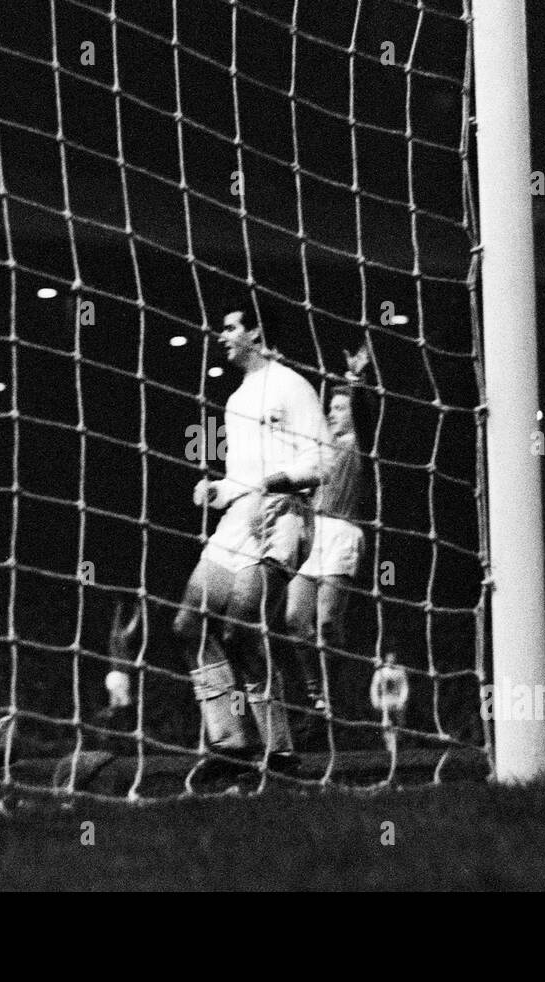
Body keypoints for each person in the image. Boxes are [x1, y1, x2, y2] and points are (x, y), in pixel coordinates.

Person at [173, 293, 330, 780]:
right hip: (238, 521)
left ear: (257, 333)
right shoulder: (237, 399)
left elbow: (320, 462)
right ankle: (231, 742)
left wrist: (273, 486)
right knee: (188, 625)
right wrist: (217, 489)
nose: (223, 336)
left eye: (232, 326)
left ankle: (280, 752)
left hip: (283, 519)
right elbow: (243, 477)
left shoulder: (292, 386)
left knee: (242, 627)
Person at [285, 343, 378, 714]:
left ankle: (336, 689)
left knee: (326, 622)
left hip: (342, 534)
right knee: (294, 619)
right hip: (311, 533)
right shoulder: (319, 448)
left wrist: (356, 382)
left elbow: (366, 414)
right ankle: (316, 692)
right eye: (331, 408)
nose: (332, 413)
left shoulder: (360, 446)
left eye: (341, 408)